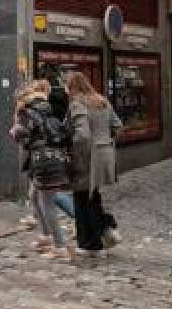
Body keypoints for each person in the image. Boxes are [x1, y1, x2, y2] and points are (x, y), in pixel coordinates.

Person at [11, 79, 74, 260]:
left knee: (48, 205)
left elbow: (20, 134)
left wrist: (14, 130)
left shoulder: (26, 112)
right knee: (34, 196)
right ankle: (45, 236)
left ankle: (60, 247)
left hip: (44, 162)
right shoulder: (47, 108)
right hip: (53, 159)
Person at [66, 71, 123, 257]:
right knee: (92, 196)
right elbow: (117, 126)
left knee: (82, 198)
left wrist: (73, 154)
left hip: (87, 157)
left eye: (66, 86)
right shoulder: (102, 100)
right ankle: (104, 230)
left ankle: (91, 243)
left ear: (72, 87)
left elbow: (82, 135)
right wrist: (105, 141)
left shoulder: (77, 104)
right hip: (104, 154)